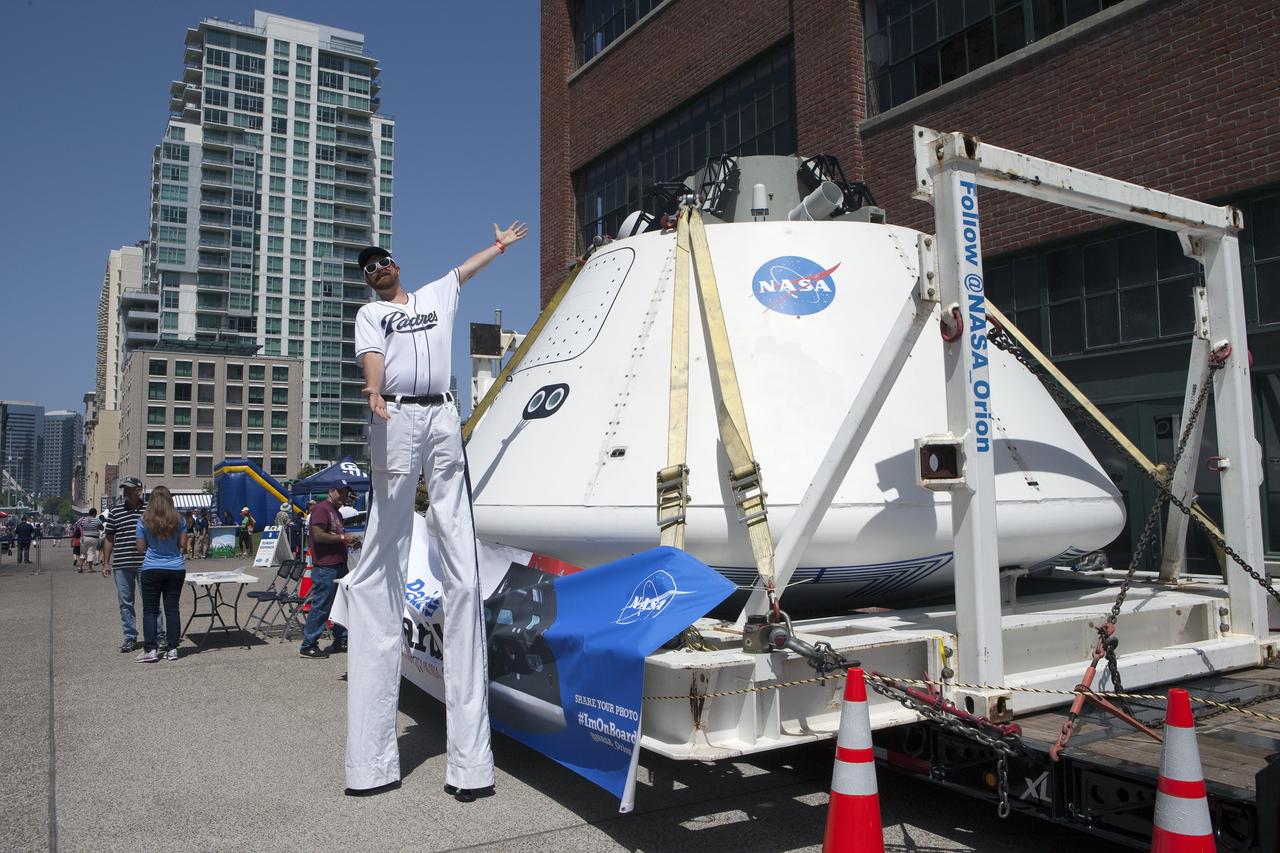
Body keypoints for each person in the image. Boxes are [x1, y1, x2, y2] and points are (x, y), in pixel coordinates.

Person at [342, 223, 527, 800]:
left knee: (461, 569)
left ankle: (472, 766)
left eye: (382, 263)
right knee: (381, 562)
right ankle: (370, 763)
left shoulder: (431, 296)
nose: (378, 271)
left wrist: (498, 248)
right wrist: (373, 391)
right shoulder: (371, 315)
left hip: (443, 415)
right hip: (396, 416)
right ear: (367, 282)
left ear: (397, 263)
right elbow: (373, 356)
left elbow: (465, 270)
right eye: (369, 269)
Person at [299, 483, 357, 659]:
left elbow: (334, 536)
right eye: (340, 492)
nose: (343, 496)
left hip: (339, 564)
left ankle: (340, 639)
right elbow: (317, 535)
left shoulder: (336, 512)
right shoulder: (321, 509)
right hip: (326, 566)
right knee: (322, 605)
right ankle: (308, 644)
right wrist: (342, 537)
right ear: (332, 492)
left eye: (346, 493)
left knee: (343, 603)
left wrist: (347, 541)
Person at [134, 485, 187, 663]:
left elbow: (140, 548)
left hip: (151, 567)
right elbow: (183, 545)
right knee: (172, 609)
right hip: (175, 567)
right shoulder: (179, 520)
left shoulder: (144, 520)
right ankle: (172, 648)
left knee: (150, 610)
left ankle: (150, 649)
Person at [102, 477, 151, 653]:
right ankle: (130, 637)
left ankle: (157, 635)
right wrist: (106, 562)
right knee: (125, 603)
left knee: (150, 601)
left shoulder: (149, 510)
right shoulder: (115, 511)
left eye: (130, 489)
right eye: (125, 489)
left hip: (146, 562)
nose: (126, 492)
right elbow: (109, 538)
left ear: (139, 490)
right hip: (121, 563)